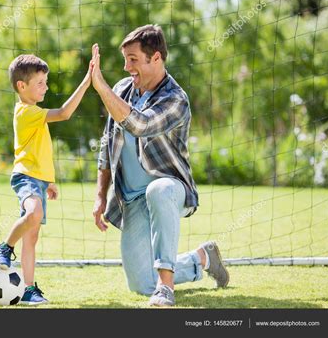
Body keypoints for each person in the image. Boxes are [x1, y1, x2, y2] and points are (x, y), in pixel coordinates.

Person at [90, 25, 229, 306]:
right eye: (125, 59)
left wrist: (100, 86)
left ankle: (166, 287)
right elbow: (107, 144)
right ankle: (203, 258)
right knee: (140, 284)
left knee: (159, 189)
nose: (127, 67)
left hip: (170, 188)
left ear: (156, 58)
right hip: (131, 199)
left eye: (133, 59)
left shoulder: (175, 99)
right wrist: (100, 195)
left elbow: (140, 125)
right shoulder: (122, 90)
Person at [0, 54, 92, 305]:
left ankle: (27, 289)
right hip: (24, 177)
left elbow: (41, 151)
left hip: (38, 179)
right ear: (21, 86)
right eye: (40, 82)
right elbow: (65, 113)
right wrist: (87, 82)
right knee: (33, 213)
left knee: (32, 237)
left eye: (45, 82)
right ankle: (4, 248)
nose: (46, 87)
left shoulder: (34, 113)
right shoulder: (26, 112)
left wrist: (49, 182)